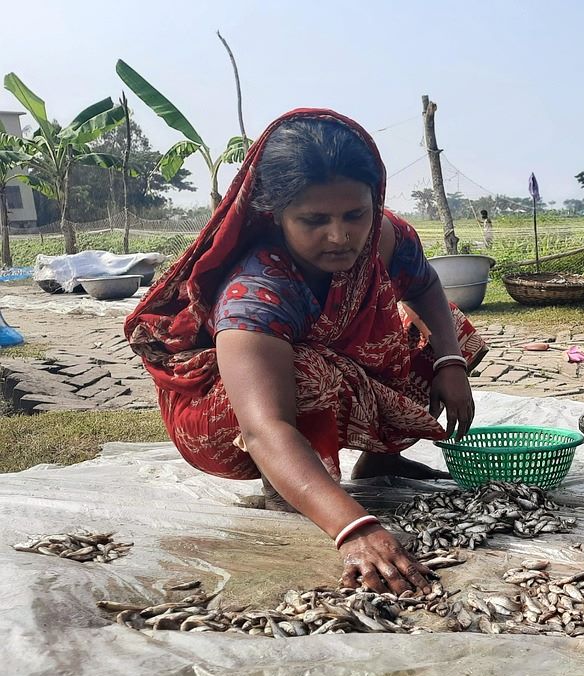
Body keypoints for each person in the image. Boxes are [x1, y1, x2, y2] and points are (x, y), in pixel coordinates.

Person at [125, 109, 488, 594]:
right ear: (276, 213)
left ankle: (381, 460)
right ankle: (287, 489)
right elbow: (263, 427)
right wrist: (355, 529)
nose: (339, 236)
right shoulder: (255, 293)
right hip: (223, 415)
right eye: (314, 220)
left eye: (353, 215)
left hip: (322, 354)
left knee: (450, 332)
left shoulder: (385, 234)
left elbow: (423, 287)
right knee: (310, 371)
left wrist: (450, 363)